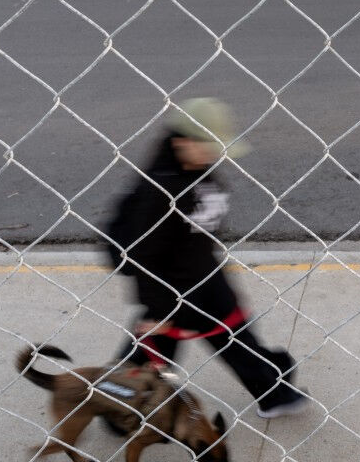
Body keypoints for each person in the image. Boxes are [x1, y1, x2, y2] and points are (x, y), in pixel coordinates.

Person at [104, 97, 308, 418]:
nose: (217, 154)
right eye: (209, 145)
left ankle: (273, 391)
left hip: (205, 279)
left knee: (236, 336)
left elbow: (200, 236)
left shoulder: (200, 170)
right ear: (182, 142)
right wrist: (159, 309)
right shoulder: (160, 191)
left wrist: (219, 279)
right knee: (150, 355)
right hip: (172, 291)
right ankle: (116, 406)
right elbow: (144, 254)